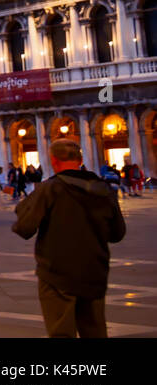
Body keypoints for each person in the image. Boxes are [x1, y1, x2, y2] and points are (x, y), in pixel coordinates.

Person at [12, 139, 126, 338]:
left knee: (61, 331)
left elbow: (24, 228)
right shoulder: (104, 189)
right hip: (95, 269)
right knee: (95, 331)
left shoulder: (50, 188)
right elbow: (117, 233)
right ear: (80, 159)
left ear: (53, 161)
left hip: (58, 271)